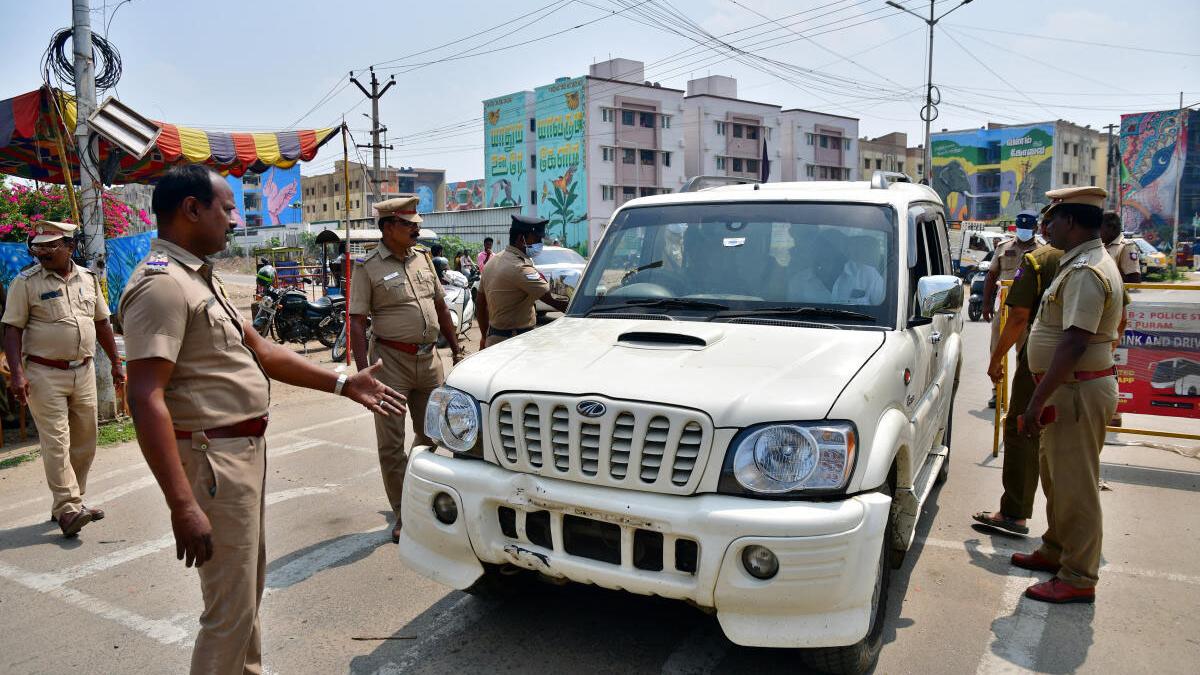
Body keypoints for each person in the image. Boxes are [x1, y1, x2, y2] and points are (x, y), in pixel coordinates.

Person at [121, 165, 402, 674]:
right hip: (214, 460)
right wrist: (182, 505)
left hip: (240, 454)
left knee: (246, 595)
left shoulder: (199, 277)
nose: (234, 219)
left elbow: (264, 352)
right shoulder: (162, 286)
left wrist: (343, 383)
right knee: (229, 612)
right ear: (191, 209)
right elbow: (144, 397)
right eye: (227, 208)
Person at [1012, 186, 1123, 604]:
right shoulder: (1077, 262)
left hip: (1076, 390)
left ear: (1071, 222)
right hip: (1068, 389)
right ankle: (1056, 549)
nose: (1046, 228)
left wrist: (1035, 401)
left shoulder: (1086, 272)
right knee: (1057, 478)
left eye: (1052, 220)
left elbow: (1075, 342)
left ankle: (1078, 576)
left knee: (1076, 486)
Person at [348, 196, 464, 543]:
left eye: (417, 224)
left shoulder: (423, 258)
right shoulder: (367, 267)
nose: (416, 229)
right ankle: (403, 511)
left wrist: (456, 347)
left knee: (433, 434)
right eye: (408, 224)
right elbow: (357, 321)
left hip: (429, 361)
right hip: (390, 364)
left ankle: (414, 488)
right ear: (388, 227)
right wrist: (363, 372)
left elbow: (440, 307)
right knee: (391, 443)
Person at [1, 221, 124, 537]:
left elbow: (102, 323)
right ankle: (69, 508)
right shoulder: (24, 283)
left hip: (83, 371)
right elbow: (12, 329)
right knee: (56, 441)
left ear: (69, 247)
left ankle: (71, 503)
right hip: (43, 373)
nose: (41, 252)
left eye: (50, 246)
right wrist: (17, 373)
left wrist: (116, 362)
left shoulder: (88, 278)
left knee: (85, 441)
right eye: (38, 247)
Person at [974, 209, 1062, 536]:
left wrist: (996, 359)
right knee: (1068, 441)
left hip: (1042, 358)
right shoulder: (1102, 262)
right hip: (1087, 368)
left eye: (1048, 223)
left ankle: (1014, 513)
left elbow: (1019, 316)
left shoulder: (1040, 260)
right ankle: (1063, 532)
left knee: (1022, 426)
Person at [477, 215, 568, 348]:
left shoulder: (492, 262)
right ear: (521, 239)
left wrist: (484, 336)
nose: (540, 244)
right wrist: (582, 312)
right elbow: (553, 300)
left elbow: (480, 304)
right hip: (516, 342)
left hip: (494, 338)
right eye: (537, 239)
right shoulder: (519, 267)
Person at [982, 212, 1041, 407]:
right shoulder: (1003, 247)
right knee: (997, 349)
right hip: (1004, 308)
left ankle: (1020, 394)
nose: (1023, 231)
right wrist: (986, 304)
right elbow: (991, 276)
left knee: (1024, 354)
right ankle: (996, 392)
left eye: (1027, 228)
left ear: (1035, 228)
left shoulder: (1041, 250)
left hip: (1028, 311)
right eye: (1020, 228)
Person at [1100, 210, 1141, 284]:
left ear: (1111, 228)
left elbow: (1134, 279)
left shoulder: (1125, 247)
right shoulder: (1102, 245)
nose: (1098, 232)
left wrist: (1110, 275)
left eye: (1100, 229)